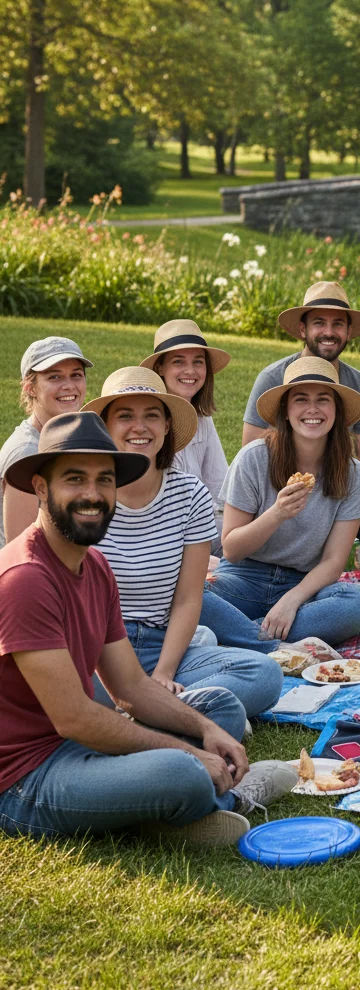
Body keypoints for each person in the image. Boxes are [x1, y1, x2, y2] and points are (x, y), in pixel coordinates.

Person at [0, 411, 296, 845]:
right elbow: (75, 719)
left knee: (220, 710)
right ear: (41, 488)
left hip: (79, 746)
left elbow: (131, 689)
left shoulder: (94, 563)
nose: (93, 494)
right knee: (180, 770)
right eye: (75, 480)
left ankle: (154, 808)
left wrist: (205, 731)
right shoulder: (26, 577)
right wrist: (188, 751)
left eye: (104, 480)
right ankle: (215, 801)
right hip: (24, 779)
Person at [82, 367, 283, 719]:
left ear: (167, 426)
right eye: (125, 415)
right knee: (50, 690)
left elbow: (190, 598)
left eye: (152, 416)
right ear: (105, 426)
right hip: (97, 650)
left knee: (264, 673)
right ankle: (182, 718)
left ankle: (141, 720)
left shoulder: (190, 494)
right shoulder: (84, 495)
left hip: (164, 646)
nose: (139, 427)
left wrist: (163, 673)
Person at [206, 357, 360, 645]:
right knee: (184, 597)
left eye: (323, 399)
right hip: (243, 578)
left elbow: (334, 562)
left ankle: (243, 633)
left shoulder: (354, 474)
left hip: (305, 585)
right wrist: (277, 513)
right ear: (286, 411)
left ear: (336, 410)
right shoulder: (254, 458)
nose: (312, 409)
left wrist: (291, 601)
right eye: (301, 399)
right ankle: (270, 639)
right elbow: (232, 550)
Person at [241, 280, 360, 558]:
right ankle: (313, 547)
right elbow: (250, 451)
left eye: (338, 324)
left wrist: (341, 502)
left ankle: (323, 545)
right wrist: (290, 499)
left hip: (337, 490)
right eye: (319, 323)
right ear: (302, 329)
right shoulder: (273, 378)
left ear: (349, 331)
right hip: (281, 493)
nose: (329, 332)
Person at [141, 319, 231, 552]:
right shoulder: (149, 422)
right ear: (160, 368)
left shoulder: (202, 419)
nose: (190, 371)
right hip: (163, 537)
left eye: (198, 362)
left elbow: (220, 488)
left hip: (201, 525)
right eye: (178, 362)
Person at [1, 337, 92, 548]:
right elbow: (22, 550)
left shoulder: (64, 438)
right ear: (30, 388)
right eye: (55, 377)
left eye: (76, 375)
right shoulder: (28, 454)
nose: (69, 386)